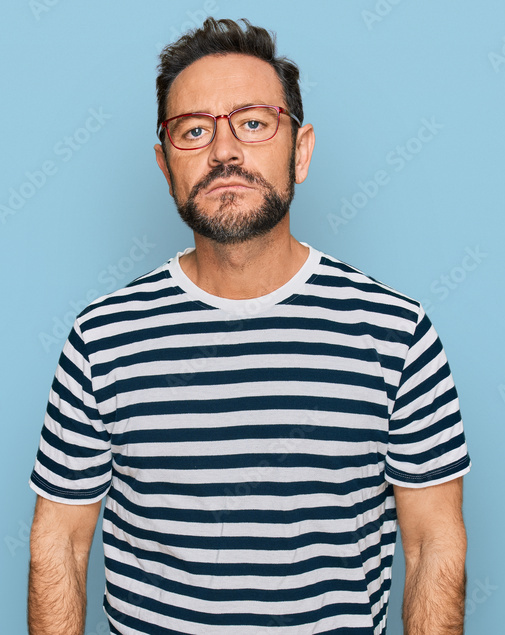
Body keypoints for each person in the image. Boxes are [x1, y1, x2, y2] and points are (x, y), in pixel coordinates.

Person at [27, 17, 470, 635]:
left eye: (254, 123)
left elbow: (432, 546)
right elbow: (61, 544)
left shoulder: (395, 333)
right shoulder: (102, 339)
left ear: (301, 151)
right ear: (164, 165)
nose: (224, 151)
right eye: (194, 130)